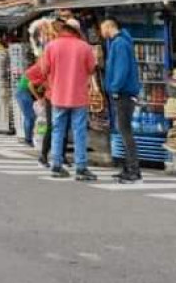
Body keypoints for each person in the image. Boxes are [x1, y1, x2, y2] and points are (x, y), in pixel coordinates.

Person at [40, 18, 98, 181]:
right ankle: (81, 168)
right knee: (79, 132)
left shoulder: (51, 46)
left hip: (58, 95)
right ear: (77, 32)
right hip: (79, 96)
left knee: (58, 130)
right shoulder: (85, 47)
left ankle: (56, 166)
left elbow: (44, 69)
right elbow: (92, 68)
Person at [100, 16, 142, 183]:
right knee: (124, 130)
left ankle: (133, 170)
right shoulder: (120, 42)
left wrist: (115, 88)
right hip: (124, 92)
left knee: (125, 132)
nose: (101, 32)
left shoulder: (119, 44)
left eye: (102, 28)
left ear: (109, 26)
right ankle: (128, 168)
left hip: (123, 93)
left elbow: (121, 68)